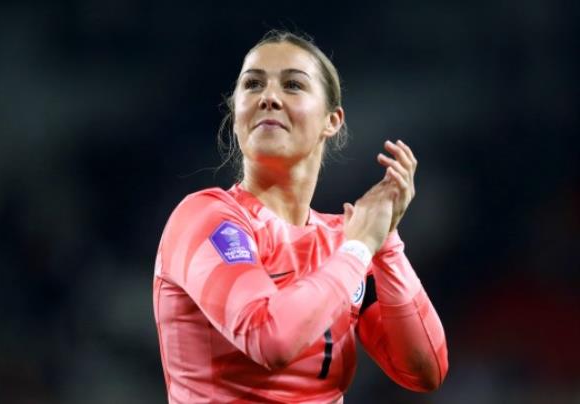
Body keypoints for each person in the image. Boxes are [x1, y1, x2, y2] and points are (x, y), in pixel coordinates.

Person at [153, 30, 448, 403]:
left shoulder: (345, 239)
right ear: (236, 112)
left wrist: (385, 243)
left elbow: (425, 371)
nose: (269, 98)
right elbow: (270, 338)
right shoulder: (206, 218)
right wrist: (359, 249)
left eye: (293, 85)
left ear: (332, 120)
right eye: (253, 84)